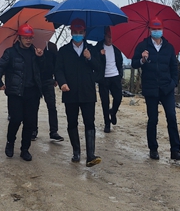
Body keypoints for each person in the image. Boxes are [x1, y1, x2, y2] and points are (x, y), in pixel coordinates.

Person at [131, 16, 180, 161]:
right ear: (149, 30)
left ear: (162, 29)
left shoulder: (169, 47)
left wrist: (173, 83)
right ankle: (153, 149)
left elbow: (174, 67)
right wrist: (142, 59)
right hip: (150, 88)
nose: (157, 31)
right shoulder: (143, 46)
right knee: (153, 119)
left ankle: (175, 150)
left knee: (172, 117)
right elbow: (134, 64)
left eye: (159, 29)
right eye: (154, 29)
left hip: (167, 88)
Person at [55, 18, 102, 167]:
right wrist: (62, 83)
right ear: (71, 32)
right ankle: (76, 151)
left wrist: (90, 58)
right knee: (72, 122)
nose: (77, 34)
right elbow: (58, 69)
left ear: (84, 33)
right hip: (70, 92)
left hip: (88, 92)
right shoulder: (63, 51)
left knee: (89, 122)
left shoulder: (91, 49)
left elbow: (99, 68)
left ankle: (91, 155)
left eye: (80, 32)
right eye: (75, 32)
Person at [0, 23, 44, 161]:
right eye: (26, 37)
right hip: (15, 92)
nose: (29, 40)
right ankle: (10, 142)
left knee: (30, 122)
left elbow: (45, 70)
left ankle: (25, 149)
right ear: (19, 37)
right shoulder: (10, 52)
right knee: (15, 119)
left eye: (31, 37)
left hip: (32, 92)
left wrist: (41, 57)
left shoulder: (36, 52)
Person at [32, 41, 64, 142]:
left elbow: (57, 63)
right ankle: (33, 130)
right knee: (33, 107)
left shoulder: (52, 46)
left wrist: (57, 78)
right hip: (34, 81)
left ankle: (54, 131)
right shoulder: (32, 46)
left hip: (48, 80)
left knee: (52, 107)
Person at [94, 26, 124, 134]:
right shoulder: (98, 46)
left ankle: (113, 112)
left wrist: (120, 75)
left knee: (118, 97)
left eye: (112, 37)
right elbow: (94, 62)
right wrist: (99, 55)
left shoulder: (117, 47)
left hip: (115, 76)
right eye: (108, 37)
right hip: (103, 78)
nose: (110, 39)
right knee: (105, 101)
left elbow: (120, 62)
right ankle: (107, 123)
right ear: (105, 36)